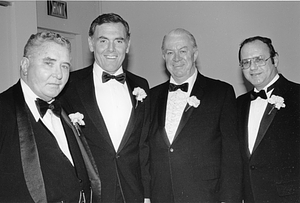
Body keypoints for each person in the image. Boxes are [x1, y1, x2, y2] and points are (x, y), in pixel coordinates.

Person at [59, 13, 151, 203]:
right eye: (103, 41)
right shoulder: (68, 86)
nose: (111, 49)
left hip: (134, 193)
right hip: (91, 194)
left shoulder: (141, 85)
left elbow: (144, 145)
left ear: (128, 45)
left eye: (118, 41)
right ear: (91, 44)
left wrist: (148, 195)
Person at [0, 31, 101, 202]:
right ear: (25, 65)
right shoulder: (3, 110)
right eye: (49, 63)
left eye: (65, 66)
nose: (59, 75)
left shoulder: (67, 108)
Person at [149, 28, 242, 202]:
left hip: (206, 195)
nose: (176, 58)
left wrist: (230, 199)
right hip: (161, 196)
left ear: (195, 53)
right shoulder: (152, 96)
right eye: (170, 52)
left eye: (183, 51)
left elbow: (231, 154)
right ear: (163, 57)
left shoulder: (221, 92)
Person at [237, 36, 300, 202]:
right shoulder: (238, 104)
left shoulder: (297, 95)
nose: (253, 67)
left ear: (275, 60)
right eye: (246, 62)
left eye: (259, 59)